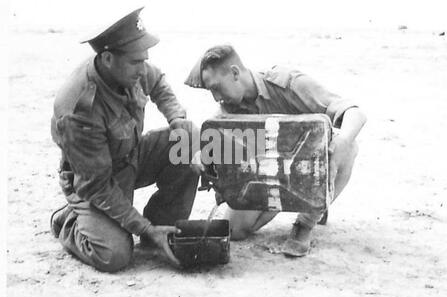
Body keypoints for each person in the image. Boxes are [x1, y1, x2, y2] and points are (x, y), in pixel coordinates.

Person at [50, 7, 200, 272]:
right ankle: (69, 221)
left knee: (187, 142)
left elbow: (159, 83)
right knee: (114, 255)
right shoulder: (79, 109)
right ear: (107, 58)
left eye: (144, 60)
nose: (143, 69)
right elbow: (97, 186)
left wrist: (176, 119)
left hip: (130, 156)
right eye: (136, 62)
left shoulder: (129, 68)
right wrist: (142, 226)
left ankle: (161, 226)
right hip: (93, 181)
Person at [185, 44, 366, 257]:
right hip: (271, 173)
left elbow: (355, 113)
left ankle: (306, 221)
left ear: (235, 73)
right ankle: (304, 198)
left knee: (349, 147)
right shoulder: (229, 110)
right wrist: (203, 157)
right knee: (235, 230)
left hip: (308, 162)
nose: (216, 97)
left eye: (217, 88)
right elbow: (217, 148)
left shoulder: (288, 83)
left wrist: (343, 142)